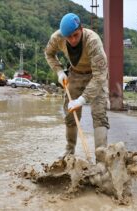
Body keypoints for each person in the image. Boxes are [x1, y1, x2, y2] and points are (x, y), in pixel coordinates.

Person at [45, 13, 110, 158]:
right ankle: (69, 149)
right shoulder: (57, 37)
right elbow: (49, 53)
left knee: (99, 114)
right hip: (75, 74)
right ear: (63, 35)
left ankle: (101, 157)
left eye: (76, 35)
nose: (73, 40)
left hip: (95, 75)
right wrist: (60, 71)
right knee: (70, 112)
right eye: (69, 37)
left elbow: (100, 76)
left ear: (81, 28)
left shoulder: (93, 41)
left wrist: (82, 100)